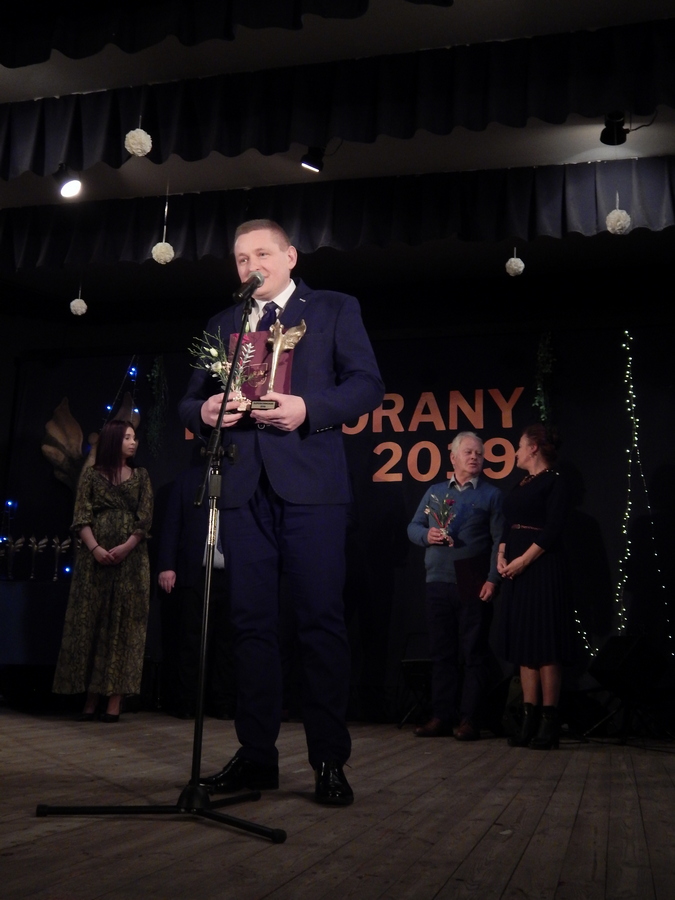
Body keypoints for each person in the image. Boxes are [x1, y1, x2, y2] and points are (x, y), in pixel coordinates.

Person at [179, 218, 384, 805]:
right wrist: (205, 411)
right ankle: (256, 756)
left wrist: (307, 408)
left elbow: (367, 385)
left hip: (312, 489)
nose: (252, 267)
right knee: (250, 626)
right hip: (242, 489)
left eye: (262, 254)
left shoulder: (335, 308)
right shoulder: (224, 322)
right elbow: (189, 402)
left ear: (290, 256)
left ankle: (329, 760)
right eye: (242, 259)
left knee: (320, 622)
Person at [53, 420, 153, 722]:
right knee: (91, 623)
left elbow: (145, 519)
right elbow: (81, 516)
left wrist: (126, 547)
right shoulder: (92, 476)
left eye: (134, 438)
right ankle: (90, 696)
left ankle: (115, 699)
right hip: (94, 561)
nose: (133, 442)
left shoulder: (141, 476)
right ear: (112, 440)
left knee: (123, 626)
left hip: (130, 562)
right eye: (127, 437)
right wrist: (95, 548)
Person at [407, 432, 504, 741]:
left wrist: (493, 578)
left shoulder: (491, 495)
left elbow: (500, 541)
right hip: (437, 579)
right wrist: (426, 536)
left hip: (472, 580)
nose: (475, 457)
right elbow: (413, 527)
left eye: (479, 453)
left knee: (474, 652)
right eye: (468, 452)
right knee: (441, 653)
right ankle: (442, 716)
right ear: (453, 457)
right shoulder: (435, 492)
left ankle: (470, 719)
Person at [497, 423, 575, 749]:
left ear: (532, 448)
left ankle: (548, 722)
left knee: (545, 644)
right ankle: (527, 720)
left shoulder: (555, 481)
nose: (515, 451)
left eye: (519, 445)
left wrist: (524, 561)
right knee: (525, 645)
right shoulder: (522, 483)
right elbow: (508, 523)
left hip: (541, 568)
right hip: (517, 568)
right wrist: (502, 554)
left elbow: (552, 529)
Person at [156, 463, 235, 719]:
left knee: (226, 642)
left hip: (231, 573)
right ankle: (187, 702)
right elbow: (172, 523)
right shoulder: (189, 479)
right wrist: (167, 565)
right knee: (191, 639)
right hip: (195, 571)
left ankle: (223, 703)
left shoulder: (240, 478)